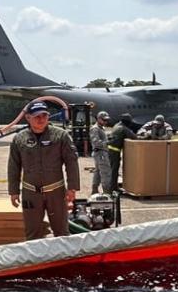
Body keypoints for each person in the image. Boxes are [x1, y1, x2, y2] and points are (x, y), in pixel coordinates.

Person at [8, 101, 80, 240]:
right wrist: (14, 191)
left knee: (62, 233)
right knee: (32, 234)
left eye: (44, 116)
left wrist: (72, 188)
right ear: (28, 118)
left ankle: (63, 260)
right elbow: (14, 166)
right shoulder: (19, 139)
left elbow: (71, 162)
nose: (41, 119)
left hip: (56, 193)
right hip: (31, 194)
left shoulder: (61, 136)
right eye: (37, 116)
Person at [108, 113, 136, 190]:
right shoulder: (124, 128)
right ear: (127, 122)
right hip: (114, 151)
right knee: (114, 170)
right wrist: (145, 137)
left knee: (111, 170)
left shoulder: (116, 126)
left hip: (109, 150)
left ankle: (112, 187)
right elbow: (134, 137)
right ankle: (113, 188)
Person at [89, 111, 113, 194]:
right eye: (104, 120)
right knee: (105, 172)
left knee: (98, 172)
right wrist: (108, 142)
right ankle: (107, 192)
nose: (105, 122)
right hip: (100, 153)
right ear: (98, 119)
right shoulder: (95, 129)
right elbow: (96, 142)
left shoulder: (101, 128)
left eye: (106, 120)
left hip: (101, 153)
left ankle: (94, 190)